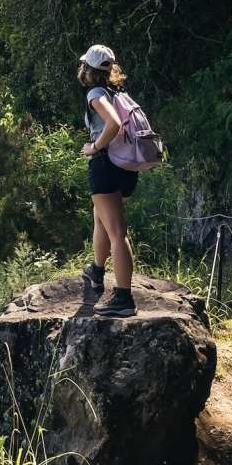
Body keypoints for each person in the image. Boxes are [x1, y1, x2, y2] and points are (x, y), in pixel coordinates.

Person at [77, 44, 138, 317]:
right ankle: (97, 271)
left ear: (87, 69)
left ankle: (123, 298)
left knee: (116, 231)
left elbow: (113, 124)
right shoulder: (117, 92)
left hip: (106, 164)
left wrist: (95, 147)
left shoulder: (96, 93)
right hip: (125, 167)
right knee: (101, 218)